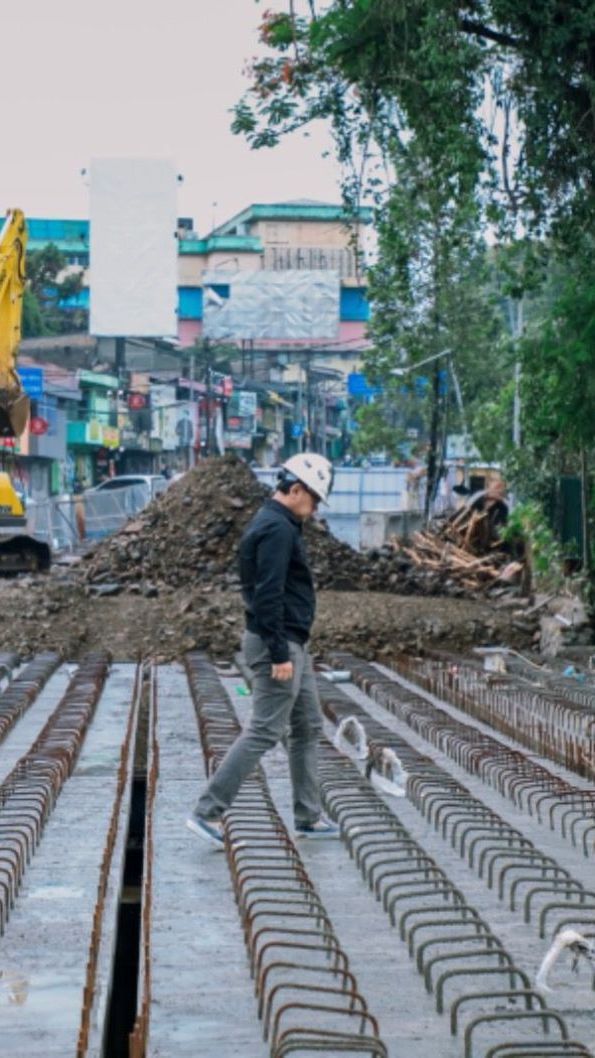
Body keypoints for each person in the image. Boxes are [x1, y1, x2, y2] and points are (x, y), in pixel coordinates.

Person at [187, 452, 339, 847]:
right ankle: (208, 811)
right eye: (315, 499)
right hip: (278, 641)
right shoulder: (276, 529)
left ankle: (308, 815)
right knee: (265, 729)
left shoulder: (281, 524)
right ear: (296, 489)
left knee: (307, 726)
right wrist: (278, 653)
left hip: (292, 641)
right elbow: (266, 594)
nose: (315, 508)